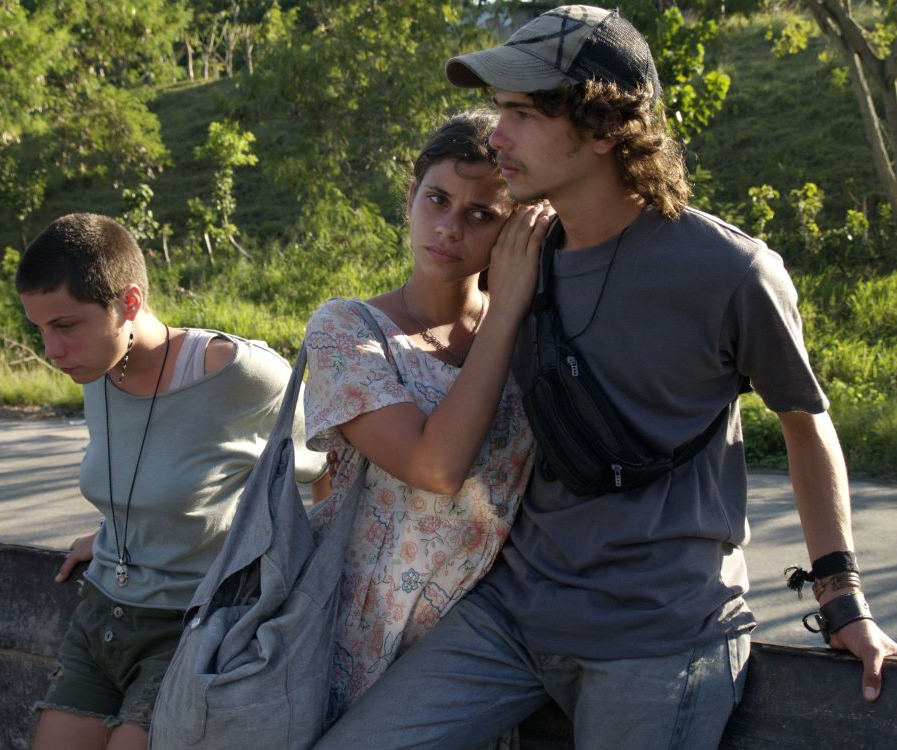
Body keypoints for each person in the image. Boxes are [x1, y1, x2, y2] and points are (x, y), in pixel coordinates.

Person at [312, 6, 897, 750]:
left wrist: (843, 599)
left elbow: (806, 424)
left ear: (604, 127)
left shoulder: (730, 272)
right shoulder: (518, 254)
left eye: (523, 113)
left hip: (662, 635)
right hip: (513, 618)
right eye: (501, 111)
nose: (498, 135)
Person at [15, 213, 329, 750]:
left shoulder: (238, 376)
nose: (51, 351)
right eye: (39, 329)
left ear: (129, 303)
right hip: (102, 618)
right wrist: (115, 534)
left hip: (191, 627)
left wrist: (319, 587)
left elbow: (330, 466)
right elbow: (145, 474)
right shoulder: (97, 368)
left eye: (65, 326)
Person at [301, 110, 551, 722]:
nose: (448, 228)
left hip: (480, 646)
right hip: (356, 637)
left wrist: (512, 309)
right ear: (410, 197)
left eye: (481, 215)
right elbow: (434, 466)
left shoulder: (536, 340)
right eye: (436, 199)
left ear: (513, 231)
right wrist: (508, 305)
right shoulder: (347, 329)